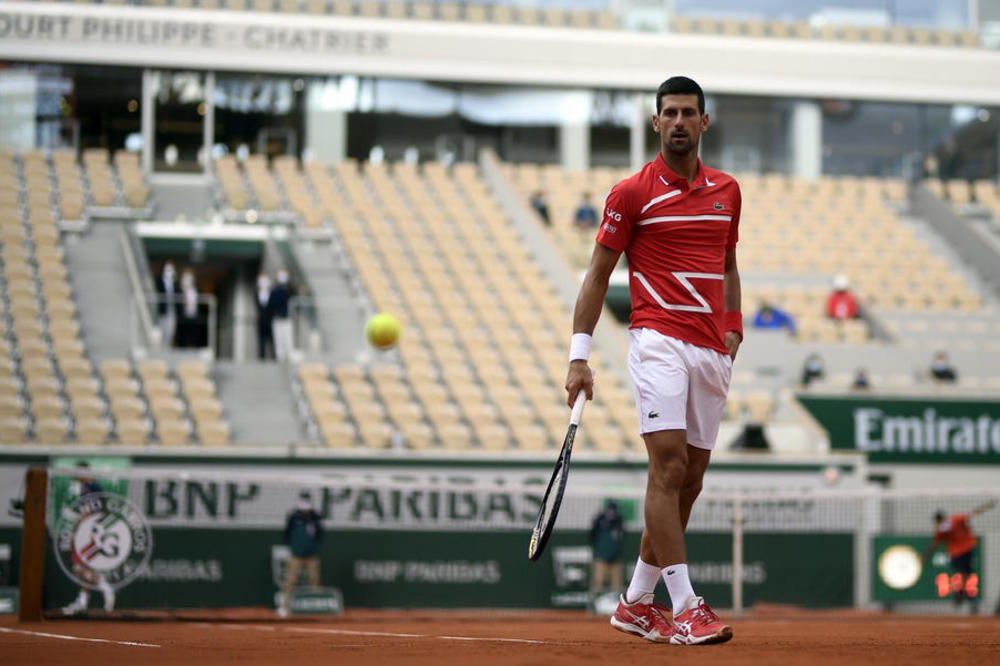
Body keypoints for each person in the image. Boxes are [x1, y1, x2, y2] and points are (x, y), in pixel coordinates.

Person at [565, 76, 738, 646]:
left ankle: (637, 601)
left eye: (690, 112)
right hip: (658, 340)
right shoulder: (630, 194)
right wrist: (579, 357)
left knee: (689, 482)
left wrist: (734, 330)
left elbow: (727, 264)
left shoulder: (728, 192)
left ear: (704, 122)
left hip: (713, 350)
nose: (680, 121)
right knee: (666, 470)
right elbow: (596, 277)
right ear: (656, 122)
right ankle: (686, 606)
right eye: (670, 113)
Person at [922, 500, 996, 612]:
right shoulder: (942, 529)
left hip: (966, 550)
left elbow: (973, 513)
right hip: (956, 553)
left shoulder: (956, 520)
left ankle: (963, 595)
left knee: (967, 576)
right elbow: (935, 543)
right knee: (963, 574)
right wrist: (926, 556)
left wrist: (987, 506)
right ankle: (964, 596)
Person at [61, 463, 116, 615]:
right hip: (86, 532)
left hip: (89, 534)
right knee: (84, 567)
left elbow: (93, 514)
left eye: (78, 472)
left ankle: (105, 589)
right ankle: (83, 601)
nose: (75, 475)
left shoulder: (93, 489)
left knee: (80, 567)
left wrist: (79, 528)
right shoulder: (86, 489)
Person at [278, 492, 323, 617]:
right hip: (296, 555)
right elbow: (286, 534)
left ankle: (315, 609)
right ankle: (284, 607)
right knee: (290, 581)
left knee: (314, 581)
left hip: (311, 556)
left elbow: (319, 534)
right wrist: (293, 547)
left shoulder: (315, 516)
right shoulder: (293, 516)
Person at [589, 500, 625, 598]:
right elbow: (592, 536)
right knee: (598, 581)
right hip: (601, 557)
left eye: (614, 510)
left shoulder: (619, 521)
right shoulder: (599, 520)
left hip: (616, 558)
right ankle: (595, 603)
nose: (612, 513)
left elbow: (621, 538)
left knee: (617, 583)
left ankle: (615, 604)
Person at [270, 269, 296, 361]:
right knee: (279, 340)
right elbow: (273, 302)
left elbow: (293, 294)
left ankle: (289, 354)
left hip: (287, 318)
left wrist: (287, 287)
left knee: (288, 338)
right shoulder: (275, 289)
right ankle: (280, 357)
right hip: (277, 317)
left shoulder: (289, 289)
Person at [155, 260, 179, 348]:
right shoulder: (159, 280)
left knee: (171, 330)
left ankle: (168, 346)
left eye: (171, 270)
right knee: (162, 329)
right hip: (163, 309)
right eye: (168, 269)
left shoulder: (174, 282)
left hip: (172, 309)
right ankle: (161, 347)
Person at [256, 271, 275, 360]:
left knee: (272, 339)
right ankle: (261, 357)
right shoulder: (256, 292)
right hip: (261, 320)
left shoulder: (272, 293)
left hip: (270, 319)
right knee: (261, 340)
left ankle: (274, 357)